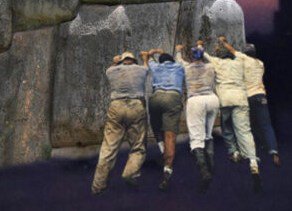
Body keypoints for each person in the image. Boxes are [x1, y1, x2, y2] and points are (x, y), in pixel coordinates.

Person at [90, 51, 150, 195]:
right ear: (134, 61)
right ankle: (130, 173)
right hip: (136, 105)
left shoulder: (111, 71)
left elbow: (111, 66)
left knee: (108, 148)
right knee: (138, 146)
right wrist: (145, 59)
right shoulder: (141, 70)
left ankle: (98, 186)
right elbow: (146, 65)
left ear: (121, 62)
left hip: (116, 106)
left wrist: (116, 61)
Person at [210, 36, 262, 192]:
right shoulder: (240, 62)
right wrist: (225, 43)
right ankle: (253, 163)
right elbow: (234, 51)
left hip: (226, 100)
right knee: (245, 131)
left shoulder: (217, 62)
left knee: (226, 127)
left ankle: (234, 152)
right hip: (241, 98)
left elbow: (202, 54)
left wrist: (209, 49)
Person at [222, 39, 280, 167]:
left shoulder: (244, 59)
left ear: (246, 53)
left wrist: (223, 42)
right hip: (261, 95)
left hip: (248, 96)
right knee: (266, 125)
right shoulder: (260, 63)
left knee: (248, 126)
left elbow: (231, 50)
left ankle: (250, 153)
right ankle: (273, 151)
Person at [142, 48, 185, 191]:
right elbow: (179, 56)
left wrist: (153, 51)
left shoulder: (156, 66)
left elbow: (148, 58)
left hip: (157, 96)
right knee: (170, 135)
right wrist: (178, 50)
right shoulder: (179, 66)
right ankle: (167, 172)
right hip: (173, 97)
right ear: (172, 60)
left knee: (155, 125)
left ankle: (162, 149)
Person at [180, 42, 219, 192]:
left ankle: (204, 173)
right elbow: (212, 58)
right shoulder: (210, 67)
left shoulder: (187, 67)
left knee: (196, 139)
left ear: (192, 56)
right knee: (208, 134)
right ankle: (211, 166)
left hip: (195, 101)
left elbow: (179, 59)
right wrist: (201, 46)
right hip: (212, 99)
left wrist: (178, 50)